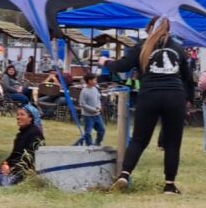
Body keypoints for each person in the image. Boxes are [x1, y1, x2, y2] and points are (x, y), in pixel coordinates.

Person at [104, 17, 193, 194]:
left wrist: (105, 62)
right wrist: (188, 99)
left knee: (139, 139)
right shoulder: (178, 48)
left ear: (150, 27)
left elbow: (122, 66)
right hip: (174, 96)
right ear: (169, 29)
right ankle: (169, 185)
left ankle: (124, 174)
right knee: (172, 143)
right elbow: (188, 78)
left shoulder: (142, 47)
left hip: (149, 95)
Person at [0, 105, 45, 185]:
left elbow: (29, 158)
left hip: (24, 172)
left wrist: (11, 169)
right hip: (14, 169)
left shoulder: (35, 134)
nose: (18, 117)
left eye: (22, 114)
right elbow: (15, 155)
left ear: (30, 118)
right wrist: (5, 164)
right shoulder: (21, 134)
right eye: (18, 114)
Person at [78, 74, 105, 146]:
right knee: (88, 132)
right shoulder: (84, 91)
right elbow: (82, 104)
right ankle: (89, 145)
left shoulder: (95, 88)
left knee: (101, 130)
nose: (96, 81)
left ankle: (97, 142)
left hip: (97, 115)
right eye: (94, 80)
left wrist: (99, 106)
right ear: (89, 81)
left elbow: (98, 98)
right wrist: (93, 109)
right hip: (88, 116)